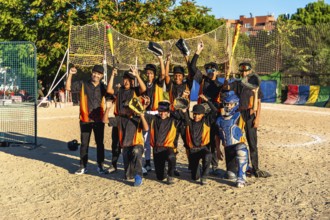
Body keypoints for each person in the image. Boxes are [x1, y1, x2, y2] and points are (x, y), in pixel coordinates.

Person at [65, 64, 108, 175]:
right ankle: (83, 166)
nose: (96, 75)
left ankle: (100, 165)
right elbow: (68, 88)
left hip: (98, 119)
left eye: (99, 74)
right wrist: (70, 74)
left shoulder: (103, 87)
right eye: (95, 73)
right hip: (85, 119)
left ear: (102, 76)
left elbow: (112, 94)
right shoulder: (83, 84)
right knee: (84, 144)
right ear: (91, 73)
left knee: (100, 143)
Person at [189, 40, 224, 176]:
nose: (210, 72)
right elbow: (192, 67)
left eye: (212, 70)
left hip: (213, 114)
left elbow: (218, 104)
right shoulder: (202, 79)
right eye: (208, 69)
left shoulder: (219, 85)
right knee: (201, 140)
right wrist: (198, 51)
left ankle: (214, 166)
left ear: (217, 72)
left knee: (214, 141)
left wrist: (208, 100)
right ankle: (202, 166)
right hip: (202, 115)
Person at [230, 62, 271, 178]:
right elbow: (227, 89)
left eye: (246, 71)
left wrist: (257, 118)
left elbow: (258, 102)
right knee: (238, 141)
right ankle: (243, 167)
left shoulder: (254, 83)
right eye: (242, 71)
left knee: (252, 143)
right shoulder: (237, 84)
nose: (244, 73)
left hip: (250, 114)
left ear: (250, 71)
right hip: (239, 114)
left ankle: (256, 168)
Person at [106, 66, 146, 171]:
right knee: (115, 144)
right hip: (119, 120)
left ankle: (135, 166)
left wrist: (137, 75)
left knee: (131, 144)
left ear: (132, 81)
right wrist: (112, 75)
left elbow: (144, 88)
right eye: (125, 79)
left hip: (130, 121)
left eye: (129, 79)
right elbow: (109, 90)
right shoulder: (119, 90)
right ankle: (113, 165)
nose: (126, 81)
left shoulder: (135, 90)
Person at [103, 97, 149, 187]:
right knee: (128, 176)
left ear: (132, 109)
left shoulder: (137, 118)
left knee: (136, 151)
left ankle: (139, 176)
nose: (124, 109)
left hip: (137, 145)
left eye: (127, 107)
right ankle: (138, 168)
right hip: (126, 147)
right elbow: (104, 120)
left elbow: (146, 128)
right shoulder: (119, 119)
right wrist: (108, 108)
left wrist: (142, 115)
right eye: (124, 107)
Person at [165, 53, 194, 176]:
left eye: (179, 75)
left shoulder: (187, 84)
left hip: (185, 117)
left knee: (188, 142)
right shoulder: (171, 85)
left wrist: (186, 57)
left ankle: (191, 165)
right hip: (173, 118)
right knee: (173, 142)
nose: (177, 77)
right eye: (175, 75)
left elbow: (191, 72)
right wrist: (167, 61)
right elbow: (165, 75)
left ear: (183, 76)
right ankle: (174, 166)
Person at [181, 94, 218, 185]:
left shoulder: (206, 121)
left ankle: (205, 176)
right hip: (193, 151)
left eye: (198, 114)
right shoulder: (189, 122)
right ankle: (197, 169)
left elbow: (215, 111)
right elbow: (185, 115)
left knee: (208, 155)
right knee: (195, 177)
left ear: (203, 115)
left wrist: (206, 100)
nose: (196, 116)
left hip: (203, 148)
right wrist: (184, 111)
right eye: (194, 114)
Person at [215, 91, 249, 188]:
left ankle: (242, 177)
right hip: (228, 149)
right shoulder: (219, 120)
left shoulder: (240, 116)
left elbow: (253, 109)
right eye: (227, 104)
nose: (229, 106)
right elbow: (217, 136)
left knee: (241, 149)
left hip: (238, 146)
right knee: (230, 175)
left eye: (231, 104)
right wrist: (218, 149)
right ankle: (239, 169)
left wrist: (255, 93)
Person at [145, 99, 183, 184]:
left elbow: (183, 119)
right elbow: (143, 114)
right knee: (160, 177)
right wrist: (144, 106)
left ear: (168, 112)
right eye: (160, 111)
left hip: (167, 148)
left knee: (171, 157)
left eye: (165, 111)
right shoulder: (153, 119)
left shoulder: (173, 120)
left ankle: (171, 175)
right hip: (157, 149)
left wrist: (172, 109)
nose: (162, 114)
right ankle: (164, 171)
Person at [142, 55, 166, 173]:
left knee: (157, 139)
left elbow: (163, 75)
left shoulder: (158, 83)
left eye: (151, 73)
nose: (149, 75)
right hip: (146, 113)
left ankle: (159, 162)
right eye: (148, 73)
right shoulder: (143, 85)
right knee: (146, 140)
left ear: (154, 74)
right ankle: (147, 162)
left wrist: (160, 59)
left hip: (157, 113)